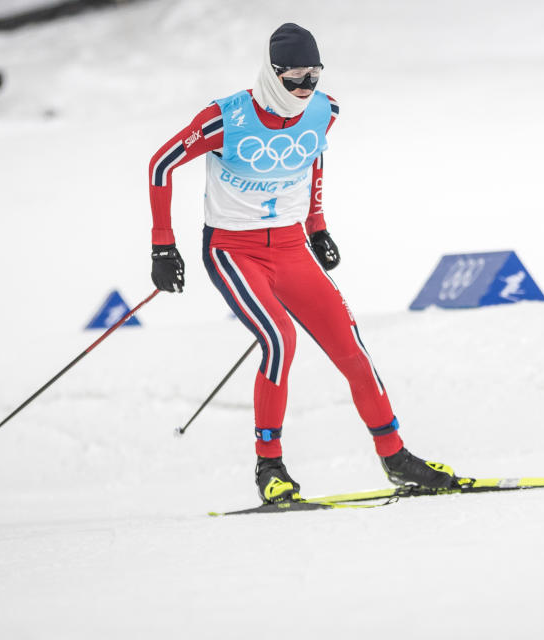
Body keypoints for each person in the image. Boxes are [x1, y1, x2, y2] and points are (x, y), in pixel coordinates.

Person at [147, 23, 463, 503]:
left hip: (292, 248)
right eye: (293, 78)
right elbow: (161, 164)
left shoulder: (323, 111)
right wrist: (163, 245)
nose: (303, 88)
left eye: (312, 76)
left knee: (350, 346)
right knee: (280, 339)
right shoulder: (225, 118)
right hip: (234, 250)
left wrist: (317, 226)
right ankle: (269, 467)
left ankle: (396, 457)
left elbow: (313, 157)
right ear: (272, 74)